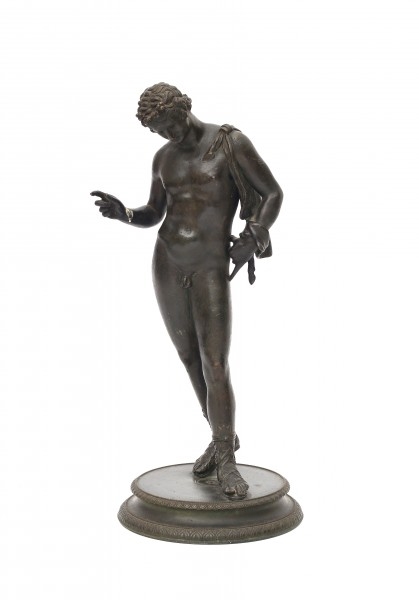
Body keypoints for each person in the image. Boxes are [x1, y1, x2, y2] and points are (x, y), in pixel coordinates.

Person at [91, 83, 283, 499]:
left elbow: (272, 193)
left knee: (215, 361)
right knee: (189, 356)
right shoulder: (163, 158)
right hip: (167, 260)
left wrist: (255, 235)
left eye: (168, 125)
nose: (167, 135)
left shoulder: (229, 143)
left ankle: (226, 460)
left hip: (209, 264)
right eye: (158, 131)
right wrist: (124, 213)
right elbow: (154, 212)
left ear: (183, 108)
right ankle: (221, 437)